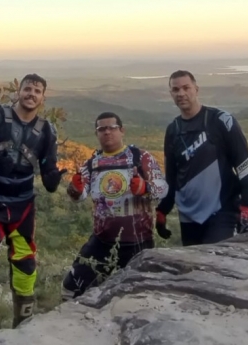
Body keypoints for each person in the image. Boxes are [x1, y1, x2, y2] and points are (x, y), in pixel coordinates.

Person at [0, 74, 63, 337]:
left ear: (43, 97)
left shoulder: (47, 130)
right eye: (27, 88)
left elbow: (49, 171)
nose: (31, 94)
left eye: (37, 90)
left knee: (25, 266)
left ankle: (23, 332)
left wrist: (54, 177)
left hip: (22, 209)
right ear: (18, 91)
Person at [62, 112, 168, 299]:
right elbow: (79, 196)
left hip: (138, 242)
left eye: (112, 127)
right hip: (101, 241)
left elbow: (163, 189)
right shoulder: (92, 164)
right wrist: (74, 189)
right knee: (72, 288)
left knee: (136, 296)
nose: (107, 132)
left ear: (122, 130)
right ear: (97, 134)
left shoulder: (141, 157)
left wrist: (145, 188)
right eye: (101, 129)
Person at [156, 70, 248, 247]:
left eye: (186, 88)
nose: (181, 93)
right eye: (176, 89)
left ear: (196, 89)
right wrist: (163, 210)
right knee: (196, 269)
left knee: (215, 260)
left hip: (222, 211)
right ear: (171, 93)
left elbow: (244, 165)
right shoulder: (173, 130)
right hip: (188, 216)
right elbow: (171, 177)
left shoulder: (220, 121)